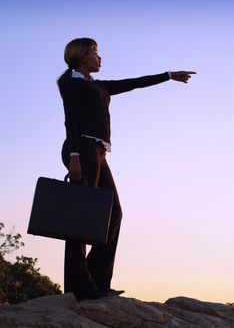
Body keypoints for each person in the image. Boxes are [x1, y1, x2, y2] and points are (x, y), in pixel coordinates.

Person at [57, 37, 196, 301]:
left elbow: (132, 83)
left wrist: (168, 76)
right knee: (80, 218)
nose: (100, 58)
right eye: (95, 53)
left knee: (114, 213)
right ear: (82, 56)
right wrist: (74, 157)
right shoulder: (70, 83)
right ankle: (79, 287)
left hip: (98, 152)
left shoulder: (96, 86)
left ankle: (96, 280)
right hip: (82, 149)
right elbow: (71, 121)